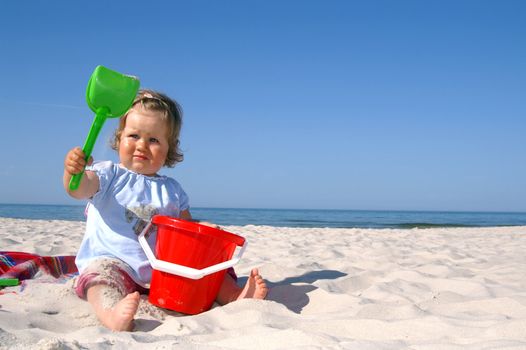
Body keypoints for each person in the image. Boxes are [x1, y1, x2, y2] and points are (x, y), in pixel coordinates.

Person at [63, 89, 268, 331]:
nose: (142, 145)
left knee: (205, 266)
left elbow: (188, 233)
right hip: (115, 263)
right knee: (99, 281)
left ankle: (234, 295)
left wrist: (204, 230)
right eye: (133, 136)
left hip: (161, 272)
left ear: (169, 149)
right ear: (119, 139)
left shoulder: (172, 190)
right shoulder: (109, 175)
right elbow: (78, 189)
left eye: (153, 140)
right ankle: (111, 313)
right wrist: (73, 173)